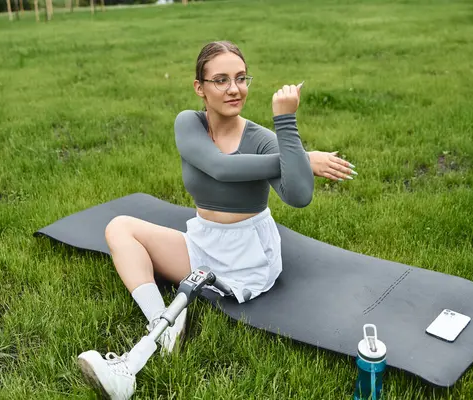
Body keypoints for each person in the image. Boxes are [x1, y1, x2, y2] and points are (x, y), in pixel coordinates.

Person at [77, 40, 357, 399]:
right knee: (119, 228)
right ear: (200, 88)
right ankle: (165, 325)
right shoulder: (188, 123)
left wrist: (286, 123)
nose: (234, 89)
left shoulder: (262, 140)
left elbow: (299, 197)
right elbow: (219, 168)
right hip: (204, 240)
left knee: (130, 235)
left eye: (241, 78)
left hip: (248, 255)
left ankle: (159, 335)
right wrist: (300, 158)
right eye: (221, 80)